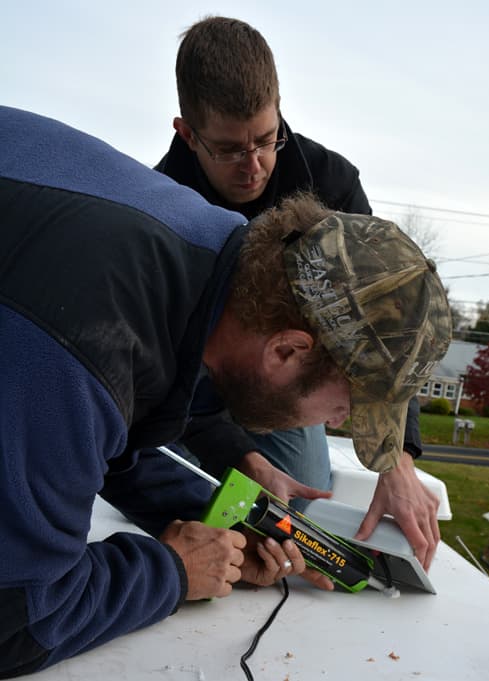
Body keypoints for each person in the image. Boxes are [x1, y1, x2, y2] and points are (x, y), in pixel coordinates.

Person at [0, 105, 451, 677]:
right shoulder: (86, 341)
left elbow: (121, 434)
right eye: (345, 407)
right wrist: (172, 571)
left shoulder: (204, 250)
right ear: (287, 351)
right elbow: (19, 618)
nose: (336, 426)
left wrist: (229, 527)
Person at [155, 16, 439, 555]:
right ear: (187, 134)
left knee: (302, 526)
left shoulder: (331, 184)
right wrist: (240, 456)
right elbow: (161, 372)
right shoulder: (161, 210)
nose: (255, 165)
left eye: (267, 139)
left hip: (293, 388)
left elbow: (384, 327)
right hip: (193, 392)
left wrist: (395, 458)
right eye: (230, 150)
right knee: (193, 516)